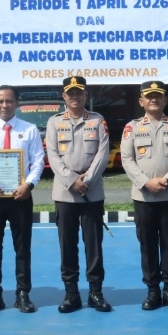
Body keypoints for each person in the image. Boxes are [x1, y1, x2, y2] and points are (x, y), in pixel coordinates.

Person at [0, 86, 45, 314]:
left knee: (22, 248)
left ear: (17, 103)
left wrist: (29, 184)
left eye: (9, 101)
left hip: (20, 196)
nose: (5, 105)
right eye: (0, 101)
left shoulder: (30, 130)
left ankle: (23, 293)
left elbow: (39, 161)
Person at [121, 80, 168, 310]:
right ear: (141, 101)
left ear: (165, 100)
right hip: (143, 196)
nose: (153, 99)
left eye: (158, 96)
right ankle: (152, 291)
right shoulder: (132, 128)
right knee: (147, 244)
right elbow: (127, 159)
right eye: (148, 96)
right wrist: (145, 182)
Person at [46, 75, 112, 313]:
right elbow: (53, 156)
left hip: (92, 192)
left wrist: (88, 179)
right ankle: (71, 293)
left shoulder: (97, 120)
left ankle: (95, 292)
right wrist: (72, 180)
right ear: (64, 96)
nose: (75, 96)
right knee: (68, 244)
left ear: (86, 95)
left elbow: (102, 154)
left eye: (79, 92)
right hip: (65, 193)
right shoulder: (54, 122)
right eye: (70, 93)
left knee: (93, 245)